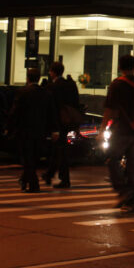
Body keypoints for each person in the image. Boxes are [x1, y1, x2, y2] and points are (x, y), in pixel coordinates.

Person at [103, 54, 134, 213]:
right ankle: (131, 203)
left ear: (120, 67)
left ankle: (123, 191)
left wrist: (103, 129)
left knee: (112, 159)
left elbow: (110, 109)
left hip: (122, 129)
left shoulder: (117, 85)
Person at [9, 67, 58, 193]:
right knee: (34, 157)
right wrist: (54, 129)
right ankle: (25, 180)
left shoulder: (22, 92)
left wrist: (9, 127)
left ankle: (32, 183)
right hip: (40, 130)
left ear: (27, 78)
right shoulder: (46, 94)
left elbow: (15, 112)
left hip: (25, 130)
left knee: (27, 158)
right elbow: (52, 113)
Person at [44, 61, 79, 189]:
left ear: (53, 72)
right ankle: (50, 174)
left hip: (58, 122)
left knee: (60, 150)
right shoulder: (69, 84)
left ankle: (64, 179)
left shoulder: (53, 87)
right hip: (68, 120)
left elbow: (51, 107)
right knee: (59, 149)